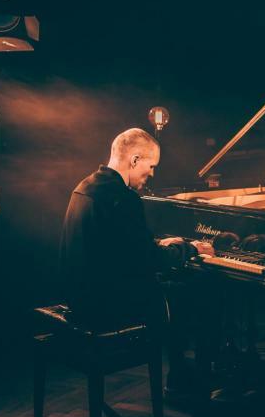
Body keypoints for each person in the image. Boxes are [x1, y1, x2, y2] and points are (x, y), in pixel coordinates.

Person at [59, 128, 214, 392]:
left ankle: (183, 372)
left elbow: (115, 245)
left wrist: (158, 244)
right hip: (106, 306)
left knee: (173, 287)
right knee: (190, 291)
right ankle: (186, 377)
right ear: (134, 160)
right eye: (150, 166)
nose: (152, 174)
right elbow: (150, 261)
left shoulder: (86, 187)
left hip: (80, 296)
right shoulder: (123, 197)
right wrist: (192, 249)